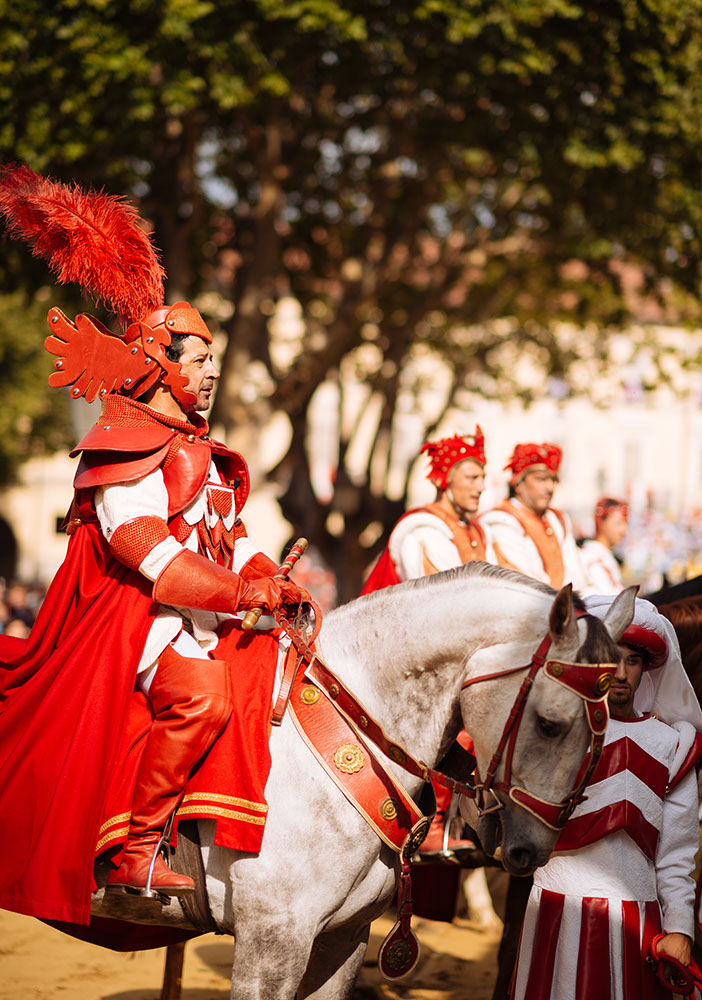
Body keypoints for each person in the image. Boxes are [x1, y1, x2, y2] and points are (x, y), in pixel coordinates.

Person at [0, 164, 308, 926]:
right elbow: (151, 555)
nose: (210, 371)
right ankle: (134, 851)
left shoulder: (203, 450)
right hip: (140, 623)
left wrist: (266, 576)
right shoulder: (124, 444)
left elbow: (224, 542)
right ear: (165, 363)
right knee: (203, 697)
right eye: (200, 359)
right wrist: (242, 596)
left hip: (199, 616)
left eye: (209, 359)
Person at [511, 596, 702, 1000]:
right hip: (553, 910)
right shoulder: (554, 733)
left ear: (645, 668)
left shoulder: (673, 745)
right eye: (611, 657)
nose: (620, 672)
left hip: (636, 921)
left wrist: (680, 927)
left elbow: (677, 854)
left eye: (632, 660)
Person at [361, 427, 496, 592]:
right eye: (472, 478)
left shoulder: (478, 531)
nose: (481, 487)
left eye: (483, 478)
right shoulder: (423, 530)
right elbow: (438, 599)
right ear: (445, 481)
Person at [481, 442, 587, 592]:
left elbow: (577, 574)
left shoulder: (558, 519)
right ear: (518, 483)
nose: (550, 488)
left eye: (553, 480)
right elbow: (524, 581)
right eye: (541, 479)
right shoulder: (501, 519)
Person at [581, 497, 628, 595]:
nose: (624, 530)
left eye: (625, 523)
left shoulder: (605, 555)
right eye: (618, 523)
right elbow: (609, 599)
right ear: (601, 522)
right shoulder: (591, 556)